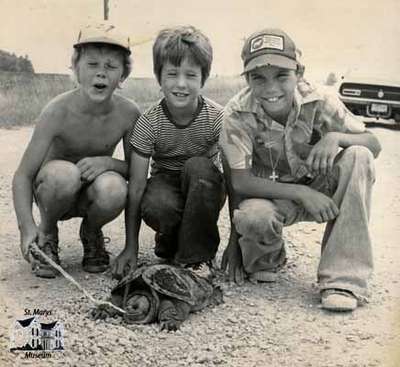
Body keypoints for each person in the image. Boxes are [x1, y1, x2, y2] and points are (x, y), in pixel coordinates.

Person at [219, 28, 381, 311]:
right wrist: (301, 192)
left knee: (358, 155)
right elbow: (241, 181)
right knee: (254, 220)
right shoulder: (236, 113)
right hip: (274, 197)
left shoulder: (320, 98)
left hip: (323, 187)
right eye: (258, 77)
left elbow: (373, 144)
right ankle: (270, 255)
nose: (271, 89)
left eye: (282, 76)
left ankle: (342, 280)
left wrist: (336, 138)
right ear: (246, 79)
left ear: (299, 72)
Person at [12, 23, 140, 278]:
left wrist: (109, 163)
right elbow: (22, 176)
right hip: (53, 192)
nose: (101, 74)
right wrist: (27, 228)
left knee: (115, 187)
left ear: (123, 75)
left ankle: (91, 233)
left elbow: (137, 173)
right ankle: (47, 234)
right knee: (64, 174)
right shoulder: (56, 111)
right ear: (76, 69)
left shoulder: (128, 113)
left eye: (111, 67)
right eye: (92, 65)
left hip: (91, 194)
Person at [112, 25, 225, 279]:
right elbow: (137, 187)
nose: (181, 84)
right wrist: (131, 247)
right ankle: (172, 242)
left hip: (204, 187)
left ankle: (198, 258)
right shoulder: (149, 122)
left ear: (203, 79)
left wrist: (236, 248)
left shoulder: (217, 118)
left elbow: (234, 179)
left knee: (198, 167)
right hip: (166, 185)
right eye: (172, 74)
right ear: (159, 77)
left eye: (191, 75)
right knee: (157, 203)